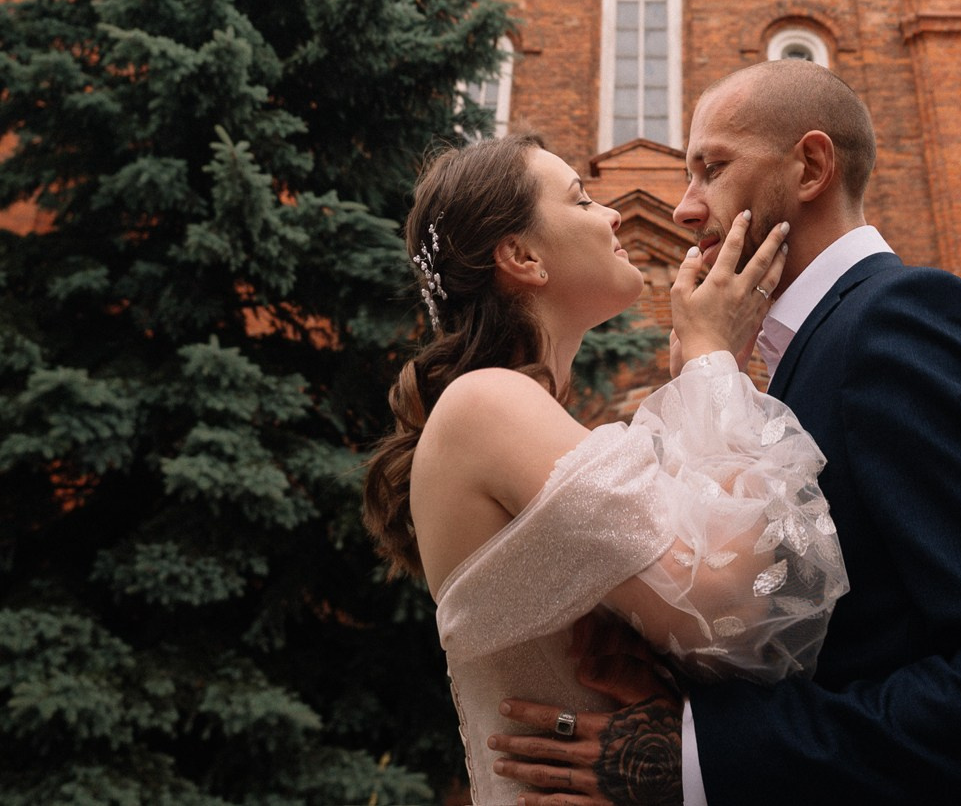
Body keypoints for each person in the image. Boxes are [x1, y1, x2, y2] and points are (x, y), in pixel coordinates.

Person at [492, 59, 961, 806]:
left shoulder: (898, 321)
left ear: (811, 166)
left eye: (711, 169)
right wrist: (678, 688)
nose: (685, 209)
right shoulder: (807, 357)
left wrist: (703, 755)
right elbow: (853, 644)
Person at [361, 132, 851, 806]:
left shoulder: (512, 416)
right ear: (522, 256)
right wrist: (712, 361)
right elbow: (740, 605)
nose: (613, 214)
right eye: (581, 198)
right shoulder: (485, 401)